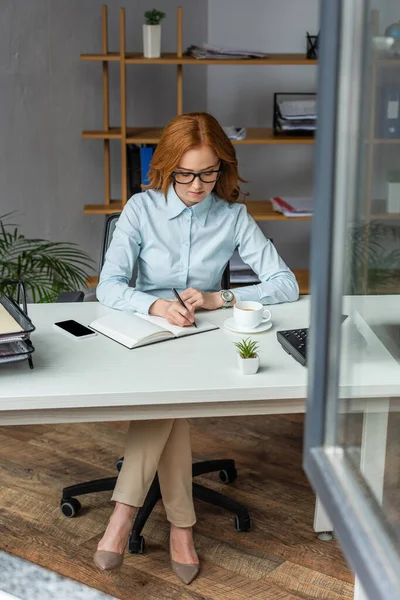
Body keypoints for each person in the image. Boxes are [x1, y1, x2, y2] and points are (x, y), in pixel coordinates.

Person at [94, 112, 299, 584]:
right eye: (185, 174)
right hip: (143, 340)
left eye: (208, 173)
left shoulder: (232, 215)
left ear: (221, 169)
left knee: (167, 407)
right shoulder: (140, 210)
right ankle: (180, 528)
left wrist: (219, 298)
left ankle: (120, 520)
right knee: (170, 408)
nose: (197, 185)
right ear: (167, 168)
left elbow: (284, 284)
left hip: (201, 341)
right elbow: (109, 286)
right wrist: (155, 306)